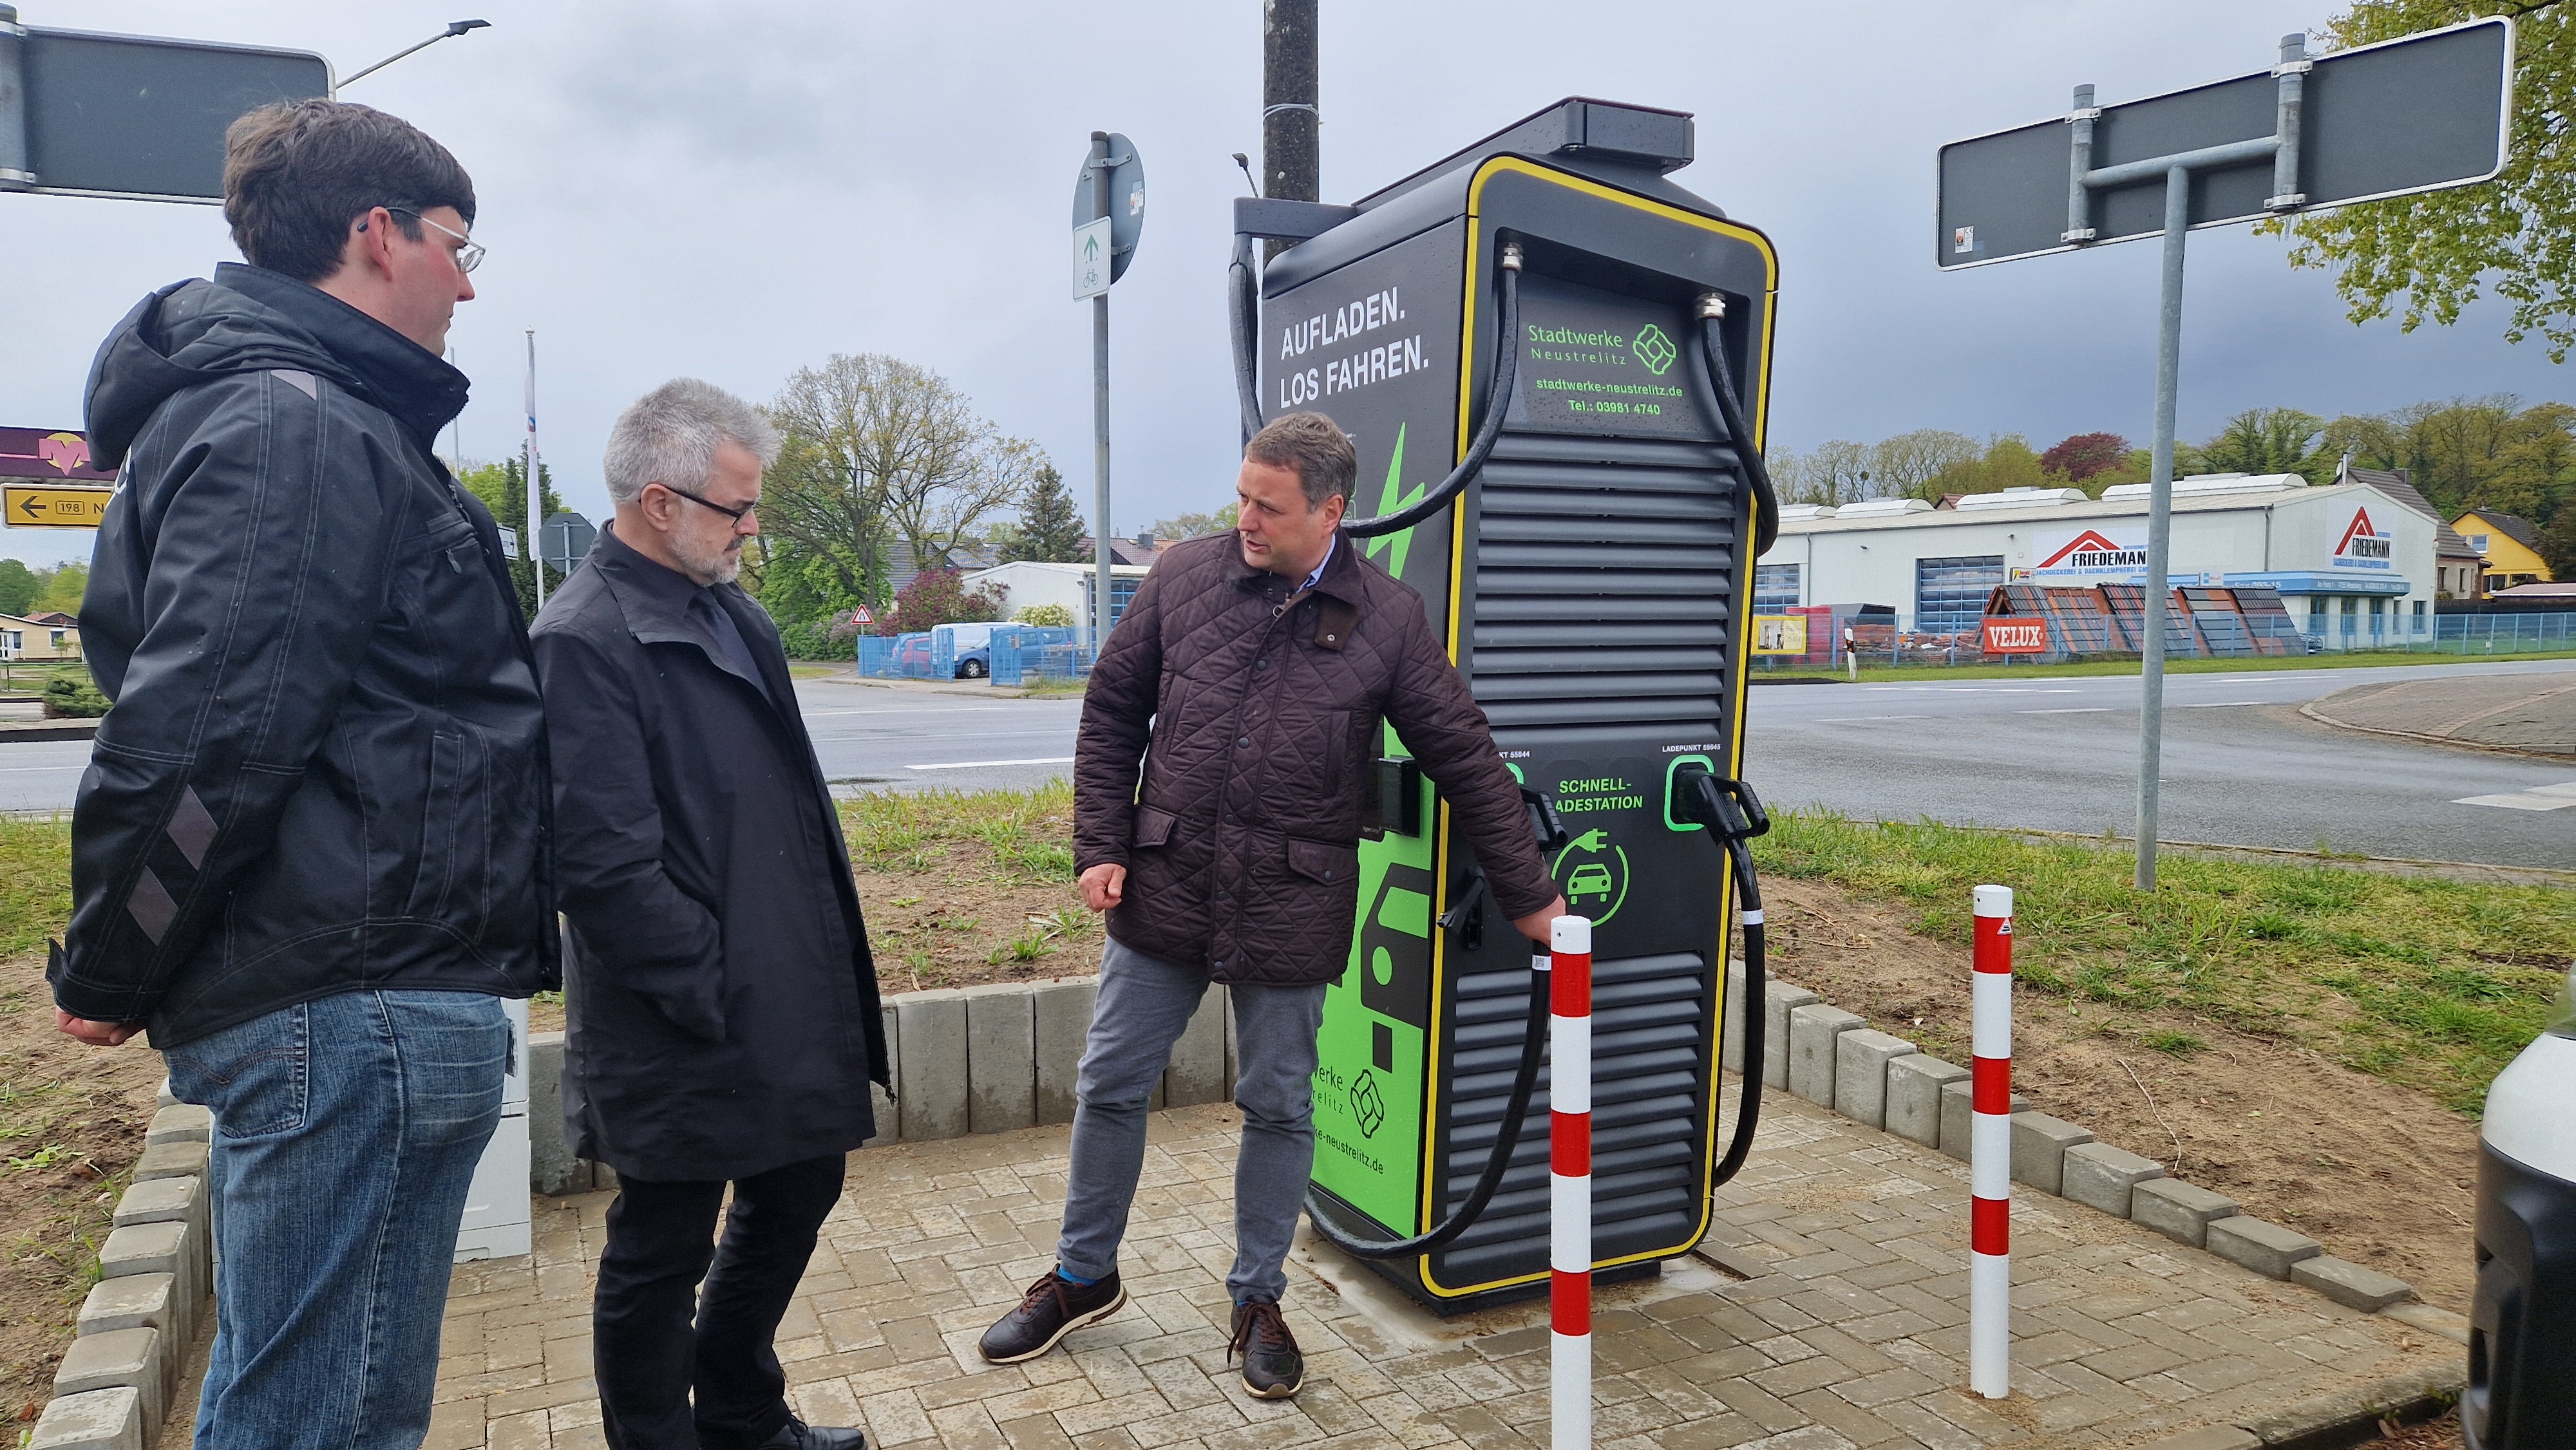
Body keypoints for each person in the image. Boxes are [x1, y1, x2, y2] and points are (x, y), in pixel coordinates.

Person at [49, 100, 551, 1449]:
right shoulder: (297, 426)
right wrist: (110, 964)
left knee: (339, 1414)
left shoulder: (305, 418)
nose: (464, 283)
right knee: (311, 1422)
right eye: (456, 245)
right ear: (377, 233)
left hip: (352, 997)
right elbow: (210, 726)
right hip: (348, 1009)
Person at [978, 411, 1566, 1397]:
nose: (1245, 520)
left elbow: (1464, 755)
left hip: (1293, 899)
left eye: (1269, 506)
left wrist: (1530, 895)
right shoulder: (1182, 578)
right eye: (1242, 497)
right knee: (1110, 1081)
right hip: (1167, 880)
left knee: (1279, 1104)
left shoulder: (1387, 618)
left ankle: (1258, 1298)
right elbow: (1113, 711)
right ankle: (1083, 1276)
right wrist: (1101, 842)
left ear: (1330, 512)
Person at [532, 379, 891, 1450]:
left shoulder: (732, 610)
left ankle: (740, 1413)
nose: (752, 527)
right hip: (679, 1014)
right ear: (659, 502)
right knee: (662, 1248)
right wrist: (708, 983)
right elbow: (602, 864)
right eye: (737, 508)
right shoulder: (581, 638)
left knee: (799, 1190)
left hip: (780, 987)